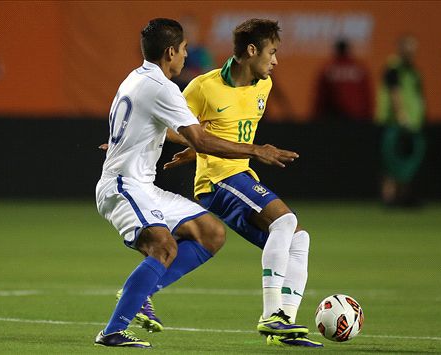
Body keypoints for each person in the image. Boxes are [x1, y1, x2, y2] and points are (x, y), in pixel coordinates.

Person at [94, 18, 298, 349]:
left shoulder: (135, 79)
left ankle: (142, 293)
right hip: (124, 186)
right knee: (164, 247)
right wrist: (256, 150)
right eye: (185, 49)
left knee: (211, 234)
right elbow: (201, 139)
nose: (187, 56)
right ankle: (114, 330)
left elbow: (158, 129)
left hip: (140, 185)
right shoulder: (162, 88)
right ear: (170, 51)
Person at [163, 18, 323, 348]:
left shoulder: (263, 86)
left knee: (298, 238)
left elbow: (226, 133)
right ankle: (270, 316)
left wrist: (193, 151)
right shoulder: (203, 87)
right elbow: (171, 127)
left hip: (240, 177)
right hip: (216, 181)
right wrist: (184, 146)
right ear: (252, 51)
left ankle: (285, 324)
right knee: (286, 220)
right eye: (272, 52)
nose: (276, 61)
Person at [375, 35, 426, 207]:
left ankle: (404, 197)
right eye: (408, 48)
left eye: (414, 49)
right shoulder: (394, 69)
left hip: (413, 124)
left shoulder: (413, 71)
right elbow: (394, 93)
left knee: (407, 164)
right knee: (391, 162)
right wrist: (401, 115)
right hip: (396, 123)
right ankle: (389, 197)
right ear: (401, 49)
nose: (412, 53)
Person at [314, 39, 373, 121]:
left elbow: (321, 97)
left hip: (335, 119)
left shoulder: (328, 69)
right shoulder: (359, 68)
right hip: (358, 117)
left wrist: (317, 117)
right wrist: (368, 116)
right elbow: (366, 94)